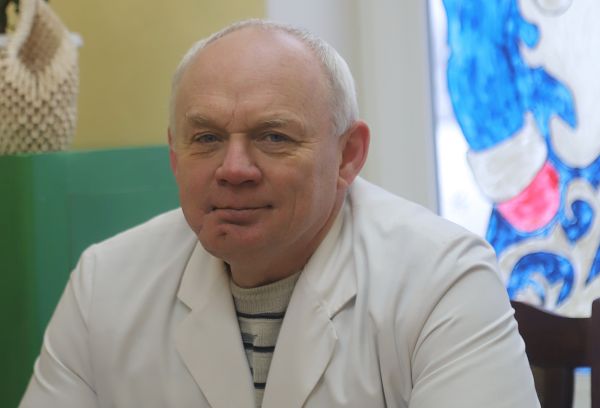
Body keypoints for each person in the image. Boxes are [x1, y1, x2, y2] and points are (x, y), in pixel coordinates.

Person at [19, 19, 540, 408]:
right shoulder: (104, 283)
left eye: (273, 136)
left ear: (348, 155)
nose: (234, 169)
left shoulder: (443, 278)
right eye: (207, 138)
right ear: (175, 157)